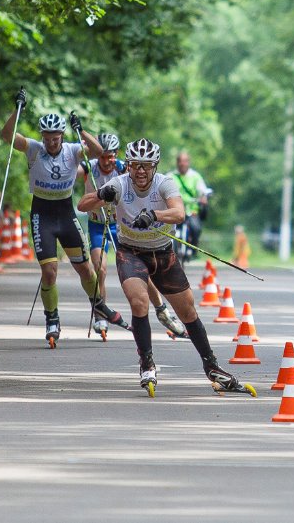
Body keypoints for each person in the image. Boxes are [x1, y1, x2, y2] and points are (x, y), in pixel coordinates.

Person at [79, 138, 254, 398]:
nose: (140, 171)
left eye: (146, 166)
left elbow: (180, 213)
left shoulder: (165, 183)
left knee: (187, 310)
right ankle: (147, 363)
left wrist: (154, 215)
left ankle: (212, 365)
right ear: (128, 165)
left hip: (163, 254)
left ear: (155, 167)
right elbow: (82, 205)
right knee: (139, 303)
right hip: (131, 254)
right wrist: (100, 196)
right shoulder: (119, 184)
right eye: (136, 165)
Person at [1, 96, 127, 347]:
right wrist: (17, 110)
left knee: (86, 269)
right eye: (47, 138)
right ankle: (52, 319)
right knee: (49, 272)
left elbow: (98, 151)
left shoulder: (72, 150)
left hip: (66, 213)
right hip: (42, 214)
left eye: (55, 138)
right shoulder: (34, 148)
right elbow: (7, 136)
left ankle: (99, 306)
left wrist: (80, 128)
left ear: (61, 135)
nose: (50, 143)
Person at [82, 133, 188, 341]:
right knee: (100, 268)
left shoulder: (125, 169)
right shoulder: (89, 167)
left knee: (141, 275)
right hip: (98, 224)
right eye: (104, 156)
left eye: (111, 156)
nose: (108, 160)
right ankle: (100, 314)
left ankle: (161, 309)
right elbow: (74, 188)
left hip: (121, 225)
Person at [172, 152, 211, 260]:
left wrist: (204, 197)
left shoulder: (195, 177)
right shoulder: (171, 176)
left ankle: (193, 250)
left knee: (196, 228)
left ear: (188, 163)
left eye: (185, 161)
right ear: (177, 163)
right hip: (175, 211)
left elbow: (203, 190)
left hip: (191, 211)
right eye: (180, 161)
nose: (182, 164)